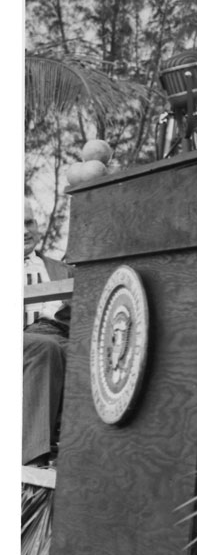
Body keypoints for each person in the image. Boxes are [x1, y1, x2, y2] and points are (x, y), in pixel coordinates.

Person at [23, 198, 72, 465]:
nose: (23, 231)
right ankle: (30, 459)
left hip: (59, 332)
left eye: (28, 222)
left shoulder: (62, 270)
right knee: (43, 347)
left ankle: (80, 454)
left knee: (92, 354)